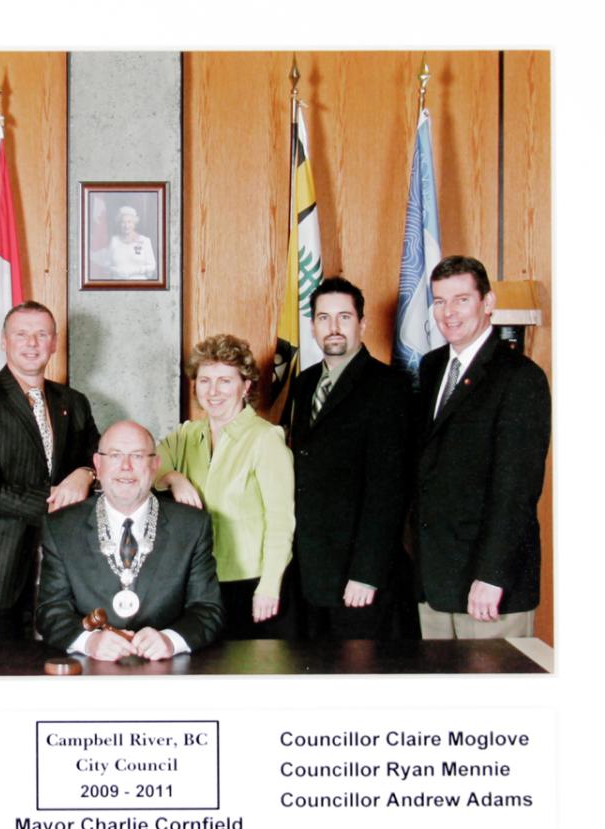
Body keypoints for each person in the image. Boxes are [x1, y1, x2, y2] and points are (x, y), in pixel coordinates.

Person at [415, 255, 551, 638]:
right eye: (439, 301)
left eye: (461, 299)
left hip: (490, 589)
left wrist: (492, 575)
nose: (448, 313)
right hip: (436, 582)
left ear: (487, 303)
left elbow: (516, 489)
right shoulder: (430, 368)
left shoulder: (520, 378)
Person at [0, 301, 100, 639]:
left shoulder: (73, 402)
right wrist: (58, 499)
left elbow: (98, 455)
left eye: (41, 334)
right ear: (4, 341)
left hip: (56, 575)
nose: (32, 343)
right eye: (22, 334)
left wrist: (84, 474)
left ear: (54, 342)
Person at [285, 277, 416, 640]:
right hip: (310, 569)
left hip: (357, 575)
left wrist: (366, 573)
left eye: (344, 317)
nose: (334, 327)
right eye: (323, 318)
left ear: (362, 323)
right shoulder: (305, 383)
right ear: (312, 326)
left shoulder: (389, 387)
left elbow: (389, 489)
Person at [36, 421, 224, 660]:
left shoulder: (192, 526)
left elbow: (208, 610)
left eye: (137, 456)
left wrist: (171, 640)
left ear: (155, 465)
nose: (125, 467)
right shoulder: (61, 527)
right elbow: (50, 611)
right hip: (90, 673)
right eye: (114, 455)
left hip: (167, 673)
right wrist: (90, 642)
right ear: (98, 464)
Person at [155, 334, 295, 638]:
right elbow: (150, 465)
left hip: (250, 584)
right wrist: (174, 478)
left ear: (245, 386)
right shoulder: (187, 435)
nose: (213, 391)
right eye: (204, 380)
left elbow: (281, 522)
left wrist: (269, 587)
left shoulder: (265, 438)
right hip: (199, 580)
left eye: (224, 381)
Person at [107, 205, 156, 280]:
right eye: (123, 222)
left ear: (134, 223)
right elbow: (107, 265)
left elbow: (152, 266)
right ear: (119, 224)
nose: (126, 226)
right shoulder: (114, 240)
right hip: (117, 283)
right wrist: (117, 271)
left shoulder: (145, 241)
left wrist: (133, 271)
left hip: (139, 283)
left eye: (129, 222)